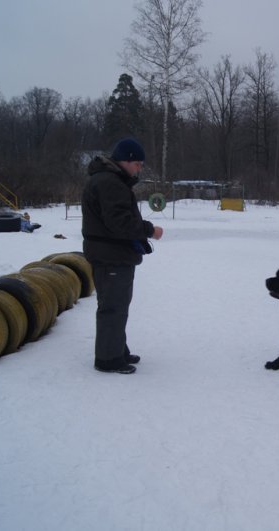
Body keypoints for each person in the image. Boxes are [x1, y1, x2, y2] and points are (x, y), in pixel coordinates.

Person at [81, 138, 163, 374]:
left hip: (112, 254)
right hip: (111, 256)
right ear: (125, 160)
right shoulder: (110, 183)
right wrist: (149, 230)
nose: (139, 169)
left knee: (116, 305)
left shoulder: (109, 180)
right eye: (137, 164)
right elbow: (120, 222)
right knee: (113, 307)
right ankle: (108, 359)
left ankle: (117, 350)